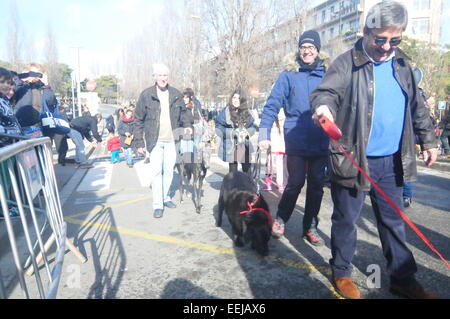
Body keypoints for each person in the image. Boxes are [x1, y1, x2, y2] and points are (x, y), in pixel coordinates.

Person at [311, 1, 438, 299]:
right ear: (366, 32)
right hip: (354, 159)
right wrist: (324, 109)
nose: (386, 47)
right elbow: (324, 93)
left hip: (392, 161)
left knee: (394, 223)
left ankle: (402, 280)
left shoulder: (404, 65)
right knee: (346, 220)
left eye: (395, 40)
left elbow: (417, 106)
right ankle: (341, 273)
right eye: (380, 39)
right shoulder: (346, 63)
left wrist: (429, 140)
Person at [259, 30, 328, 246]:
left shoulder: (327, 74)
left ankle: (310, 226)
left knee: (317, 186)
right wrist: (264, 133)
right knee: (295, 183)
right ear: (299, 50)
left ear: (318, 51)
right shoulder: (288, 74)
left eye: (311, 47)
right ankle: (281, 219)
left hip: (320, 139)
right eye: (303, 47)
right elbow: (272, 105)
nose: (307, 51)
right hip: (295, 137)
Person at [134, 63, 184, 219]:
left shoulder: (176, 94)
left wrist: (188, 127)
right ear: (154, 77)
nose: (163, 78)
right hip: (154, 141)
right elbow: (138, 120)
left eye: (165, 75)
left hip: (171, 141)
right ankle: (158, 204)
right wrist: (139, 143)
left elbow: (184, 115)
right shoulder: (146, 94)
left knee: (169, 172)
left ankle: (165, 197)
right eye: (160, 75)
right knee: (156, 173)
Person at [215, 89, 256, 174]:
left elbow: (252, 127)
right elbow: (218, 128)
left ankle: (248, 185)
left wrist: (247, 132)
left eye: (238, 98)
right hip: (231, 145)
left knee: (247, 170)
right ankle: (233, 186)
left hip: (245, 144)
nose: (236, 100)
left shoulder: (247, 112)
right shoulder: (225, 112)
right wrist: (232, 133)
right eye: (234, 98)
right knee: (233, 172)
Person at [14, 63, 58, 138]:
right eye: (32, 73)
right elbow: (11, 92)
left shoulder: (42, 87)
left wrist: (46, 85)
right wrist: (22, 80)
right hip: (22, 127)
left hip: (40, 127)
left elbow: (51, 101)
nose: (35, 76)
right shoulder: (21, 86)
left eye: (37, 73)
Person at [262, 109, 287, 191]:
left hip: (271, 145)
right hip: (282, 146)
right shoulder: (285, 117)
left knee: (269, 166)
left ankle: (268, 184)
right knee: (281, 166)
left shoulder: (271, 116)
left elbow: (263, 126)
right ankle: (281, 184)